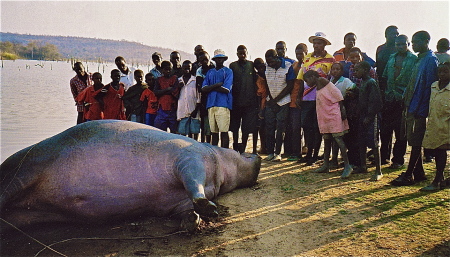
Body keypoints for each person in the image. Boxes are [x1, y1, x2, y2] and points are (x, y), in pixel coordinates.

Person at [391, 30, 439, 186]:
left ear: (426, 41)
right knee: (412, 140)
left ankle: (409, 174)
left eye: (417, 42)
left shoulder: (431, 61)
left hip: (420, 109)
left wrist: (422, 111)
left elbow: (429, 88)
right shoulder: (420, 59)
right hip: (411, 106)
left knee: (417, 142)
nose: (414, 45)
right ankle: (419, 173)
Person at [303, 70, 353, 178]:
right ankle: (326, 165)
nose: (307, 84)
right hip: (325, 115)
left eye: (307, 80)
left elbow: (338, 95)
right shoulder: (318, 85)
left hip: (332, 115)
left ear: (312, 77)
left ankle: (348, 166)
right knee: (326, 140)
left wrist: (342, 111)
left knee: (338, 140)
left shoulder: (323, 82)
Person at [296, 32, 335, 165]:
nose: (316, 45)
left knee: (318, 128)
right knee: (307, 127)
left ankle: (315, 155)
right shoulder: (307, 58)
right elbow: (301, 79)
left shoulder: (331, 60)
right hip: (307, 98)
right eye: (315, 43)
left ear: (324, 44)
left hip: (321, 98)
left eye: (319, 43)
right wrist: (298, 96)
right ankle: (308, 154)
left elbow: (331, 79)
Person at [380, 35, 417, 168]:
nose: (400, 46)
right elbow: (384, 76)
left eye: (403, 44)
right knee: (385, 131)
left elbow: (415, 80)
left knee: (401, 132)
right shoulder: (391, 58)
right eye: (398, 44)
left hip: (403, 99)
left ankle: (398, 159)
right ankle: (383, 157)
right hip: (389, 98)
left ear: (408, 44)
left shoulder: (414, 59)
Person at [420, 63, 450, 191]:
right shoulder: (434, 86)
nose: (442, 74)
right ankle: (438, 179)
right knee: (439, 153)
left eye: (445, 72)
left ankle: (439, 180)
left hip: (448, 126)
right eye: (440, 72)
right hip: (436, 127)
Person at [353, 61, 383, 181]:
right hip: (362, 116)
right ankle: (363, 166)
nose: (355, 73)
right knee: (361, 141)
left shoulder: (371, 82)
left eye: (357, 70)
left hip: (370, 117)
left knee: (374, 143)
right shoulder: (363, 83)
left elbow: (375, 102)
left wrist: (369, 116)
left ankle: (378, 170)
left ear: (365, 70)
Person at [264, 49, 295, 161]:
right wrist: (272, 100)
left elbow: (290, 85)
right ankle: (270, 153)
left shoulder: (288, 66)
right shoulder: (267, 66)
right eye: (268, 62)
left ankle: (278, 153)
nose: (270, 64)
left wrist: (277, 100)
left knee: (280, 128)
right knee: (269, 127)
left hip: (283, 102)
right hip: (271, 102)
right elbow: (266, 84)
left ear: (277, 57)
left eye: (272, 62)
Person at [229, 45, 259, 153]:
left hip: (249, 102)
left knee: (246, 127)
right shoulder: (233, 66)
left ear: (247, 53)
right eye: (240, 53)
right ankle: (235, 146)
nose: (242, 55)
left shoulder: (251, 65)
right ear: (237, 54)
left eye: (244, 53)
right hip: (236, 102)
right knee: (235, 127)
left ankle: (244, 147)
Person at [201, 49, 233, 148]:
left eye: (221, 58)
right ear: (214, 60)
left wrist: (211, 87)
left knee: (224, 131)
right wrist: (217, 85)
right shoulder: (210, 72)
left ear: (224, 59)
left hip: (223, 104)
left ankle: (225, 154)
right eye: (217, 59)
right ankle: (216, 154)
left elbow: (226, 89)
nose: (219, 60)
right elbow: (203, 89)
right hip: (211, 104)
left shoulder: (228, 71)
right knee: (214, 133)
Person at [329, 62, 355, 168]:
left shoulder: (345, 81)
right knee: (333, 137)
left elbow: (354, 89)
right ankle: (334, 159)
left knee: (339, 137)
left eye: (338, 69)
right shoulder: (329, 81)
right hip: (331, 111)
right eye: (333, 69)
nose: (335, 71)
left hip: (341, 110)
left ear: (342, 71)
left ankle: (341, 161)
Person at [285, 43, 308, 161]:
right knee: (294, 127)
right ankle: (296, 152)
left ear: (306, 53)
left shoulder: (308, 65)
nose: (299, 56)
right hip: (293, 100)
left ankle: (305, 150)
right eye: (297, 53)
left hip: (306, 99)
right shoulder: (294, 65)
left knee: (306, 127)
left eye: (301, 53)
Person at [153, 60, 180, 133]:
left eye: (170, 69)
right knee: (160, 130)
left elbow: (175, 91)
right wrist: (167, 89)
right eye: (166, 69)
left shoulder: (174, 78)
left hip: (172, 108)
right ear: (162, 70)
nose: (168, 71)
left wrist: (162, 92)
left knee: (174, 131)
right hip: (162, 108)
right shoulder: (159, 80)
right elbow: (155, 92)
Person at [177, 60, 201, 140]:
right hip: (182, 110)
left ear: (191, 69)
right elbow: (176, 95)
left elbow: (198, 96)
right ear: (182, 69)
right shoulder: (179, 80)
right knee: (183, 132)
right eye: (184, 68)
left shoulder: (194, 80)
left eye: (188, 68)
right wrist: (178, 87)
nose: (186, 70)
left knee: (194, 131)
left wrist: (196, 109)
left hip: (193, 109)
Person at [196, 51, 215, 144]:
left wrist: (208, 87)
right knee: (204, 125)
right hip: (204, 101)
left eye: (206, 59)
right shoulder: (199, 71)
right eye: (202, 60)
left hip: (214, 100)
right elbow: (200, 89)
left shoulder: (214, 68)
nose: (204, 62)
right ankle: (205, 144)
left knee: (212, 126)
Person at [376, 25, 399, 94]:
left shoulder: (399, 50)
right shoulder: (380, 49)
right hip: (381, 82)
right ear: (386, 35)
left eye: (397, 34)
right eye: (393, 33)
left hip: (395, 85)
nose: (396, 36)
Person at [254, 58, 268, 154]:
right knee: (262, 127)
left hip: (269, 103)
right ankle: (263, 147)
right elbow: (258, 93)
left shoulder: (268, 74)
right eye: (258, 68)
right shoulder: (258, 78)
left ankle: (266, 147)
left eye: (262, 67)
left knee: (267, 127)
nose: (261, 69)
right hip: (262, 104)